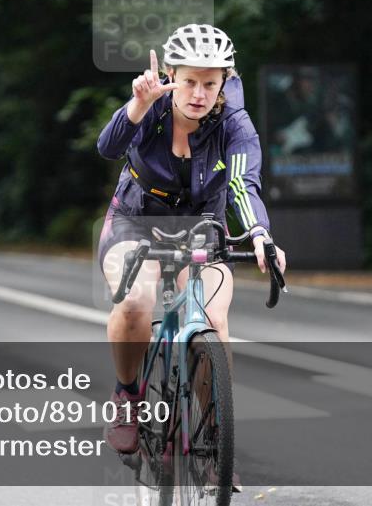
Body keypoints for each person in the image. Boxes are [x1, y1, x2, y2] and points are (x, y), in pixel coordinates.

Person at [96, 24, 287, 475]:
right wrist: (137, 106)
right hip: (135, 220)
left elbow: (243, 183)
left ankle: (217, 433)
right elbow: (107, 148)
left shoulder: (234, 124)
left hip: (202, 226)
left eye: (210, 83)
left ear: (225, 81)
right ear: (172, 75)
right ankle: (127, 396)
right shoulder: (152, 107)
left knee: (212, 321)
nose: (199, 93)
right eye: (189, 81)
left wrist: (260, 234)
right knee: (136, 303)